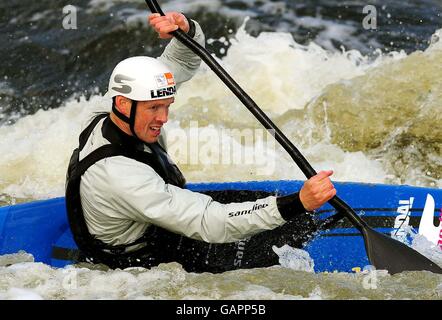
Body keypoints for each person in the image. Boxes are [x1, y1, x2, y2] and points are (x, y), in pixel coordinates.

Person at [65, 12, 337, 273]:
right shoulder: (120, 175)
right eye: (154, 109)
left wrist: (186, 31)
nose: (164, 118)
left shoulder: (108, 108)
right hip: (144, 258)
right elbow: (210, 222)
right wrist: (298, 202)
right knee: (285, 219)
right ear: (123, 104)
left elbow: (180, 63)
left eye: (167, 105)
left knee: (267, 205)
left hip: (154, 220)